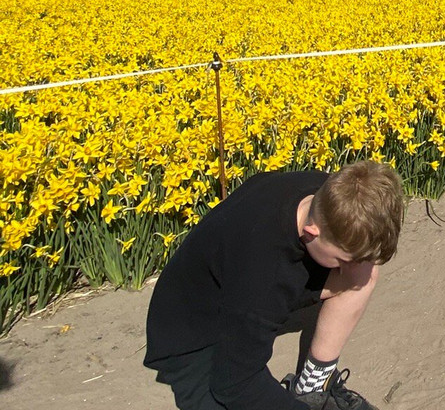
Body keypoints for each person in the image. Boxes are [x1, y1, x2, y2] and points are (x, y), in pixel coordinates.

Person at [144, 160, 404, 410]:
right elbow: (235, 383)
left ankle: (313, 386)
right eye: (341, 260)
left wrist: (353, 261)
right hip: (192, 333)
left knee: (363, 270)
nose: (345, 269)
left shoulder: (327, 195)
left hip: (245, 284)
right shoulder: (264, 274)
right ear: (312, 233)